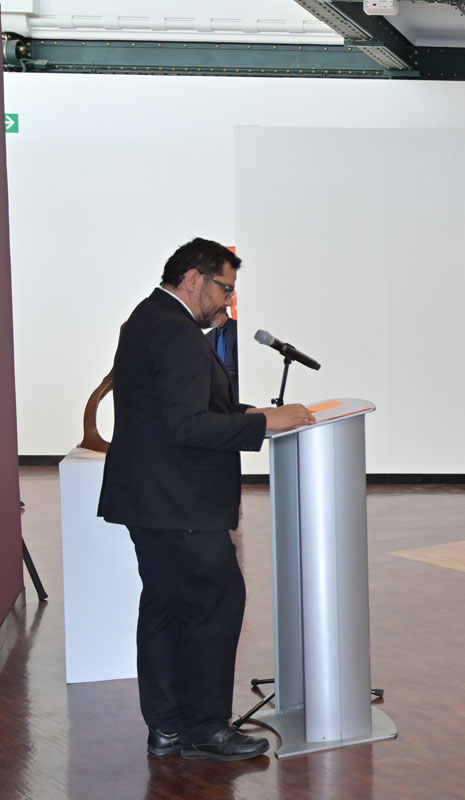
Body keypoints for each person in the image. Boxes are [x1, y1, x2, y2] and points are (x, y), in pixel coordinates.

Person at [98, 238, 315, 761]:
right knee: (215, 603)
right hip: (179, 502)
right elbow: (187, 425)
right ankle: (205, 729)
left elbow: (179, 408)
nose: (227, 301)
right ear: (193, 279)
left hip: (152, 498)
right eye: (225, 288)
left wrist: (248, 413)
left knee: (166, 607)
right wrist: (264, 423)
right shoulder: (176, 332)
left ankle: (168, 727)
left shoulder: (147, 317)